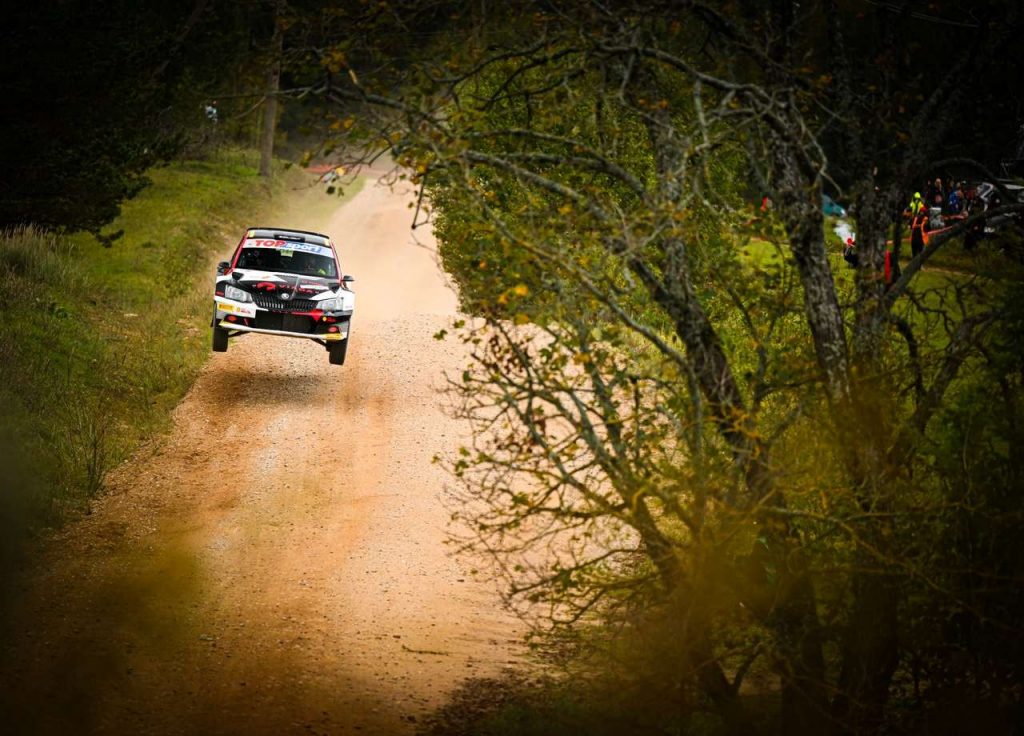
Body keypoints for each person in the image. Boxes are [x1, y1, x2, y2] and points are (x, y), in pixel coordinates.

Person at [907, 192, 928, 258]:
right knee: (919, 253)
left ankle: (917, 264)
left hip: (917, 239)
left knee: (916, 254)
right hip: (919, 239)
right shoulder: (924, 219)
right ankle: (918, 265)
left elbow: (910, 226)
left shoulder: (918, 218)